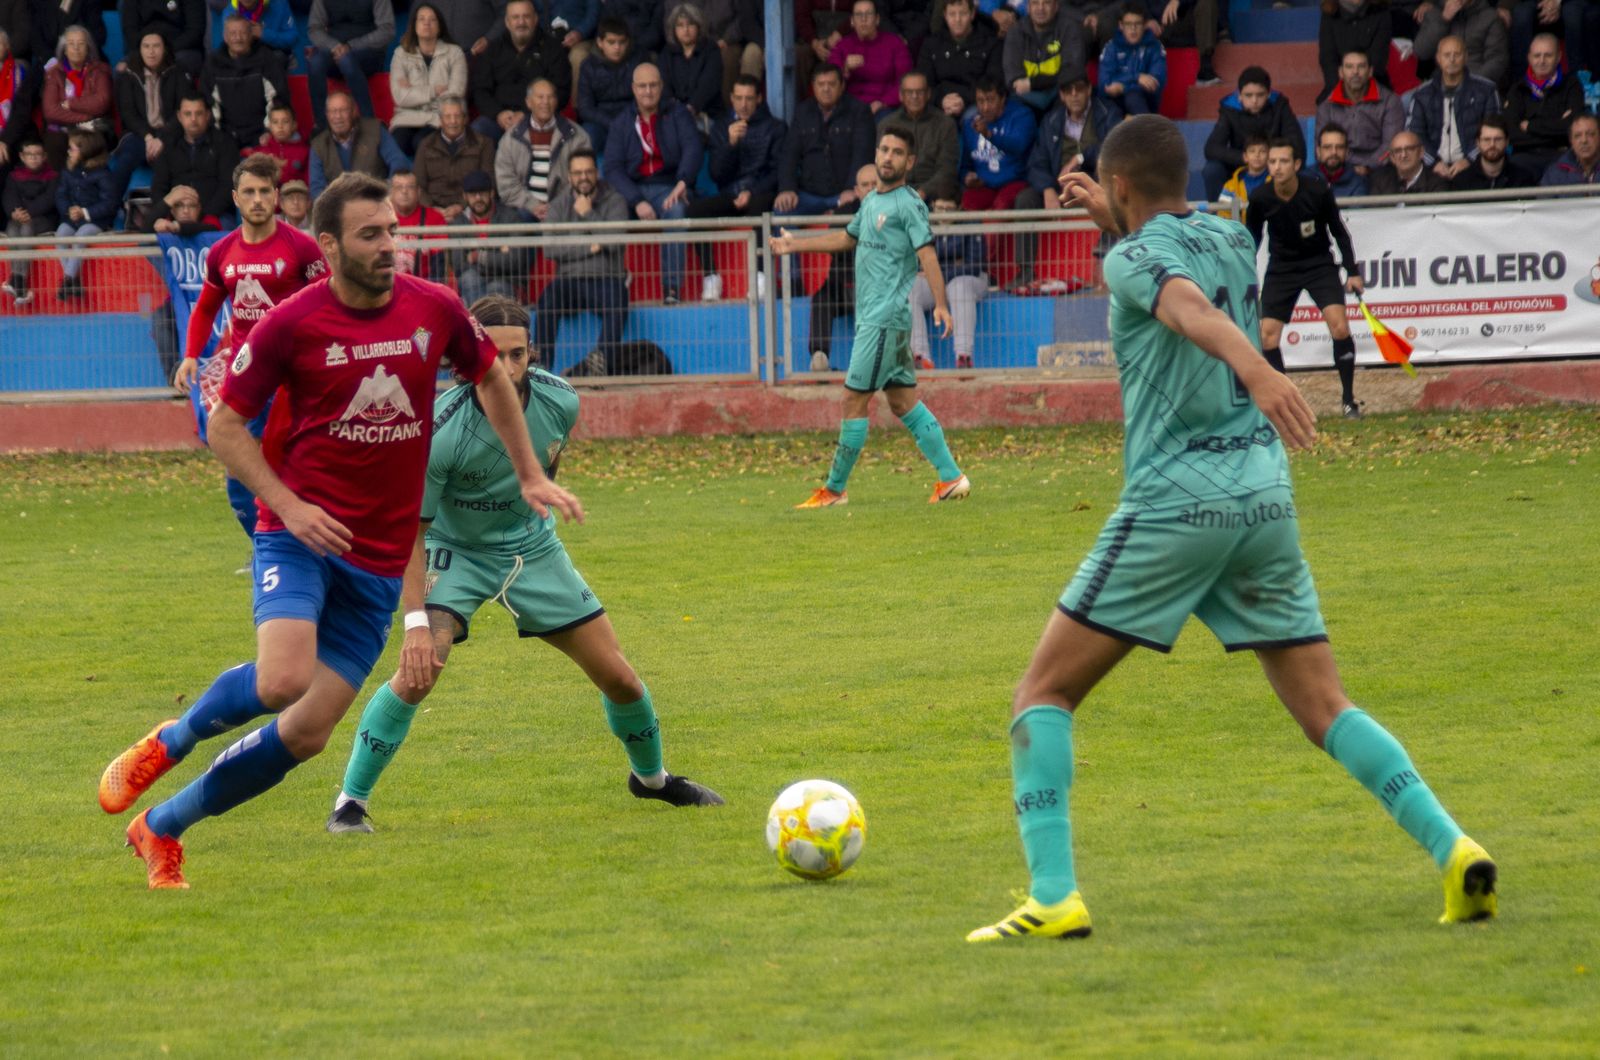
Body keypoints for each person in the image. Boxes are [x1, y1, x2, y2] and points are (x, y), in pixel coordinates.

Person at [964, 113, 1498, 944]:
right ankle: (1455, 847)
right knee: (1326, 705)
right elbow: (1168, 258)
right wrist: (1118, 218)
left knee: (1042, 694)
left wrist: (1253, 366)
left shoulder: (1135, 260)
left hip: (1179, 502)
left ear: (1118, 185)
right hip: (1263, 497)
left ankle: (1054, 895)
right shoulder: (1222, 229)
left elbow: (1178, 303)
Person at [100, 171, 584, 890]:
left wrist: (528, 475)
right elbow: (227, 429)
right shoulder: (290, 324)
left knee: (307, 733)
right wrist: (287, 506)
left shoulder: (435, 307)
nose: (390, 245)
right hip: (298, 533)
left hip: (379, 558)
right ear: (329, 246)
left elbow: (487, 376)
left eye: (392, 229)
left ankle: (161, 828)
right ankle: (170, 740)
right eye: (371, 235)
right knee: (283, 679)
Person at [326, 293, 723, 833]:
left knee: (622, 679)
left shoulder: (563, 401)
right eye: (495, 354)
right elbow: (410, 536)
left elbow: (545, 463)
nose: (507, 368)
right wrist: (415, 623)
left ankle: (651, 780)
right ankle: (350, 803)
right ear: (468, 355)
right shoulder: (436, 431)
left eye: (518, 354)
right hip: (453, 551)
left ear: (532, 352)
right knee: (420, 670)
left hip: (532, 549)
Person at [773, 123, 971, 508]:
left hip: (884, 319)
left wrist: (942, 304)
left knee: (852, 399)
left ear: (909, 162)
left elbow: (927, 253)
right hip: (879, 321)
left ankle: (834, 489)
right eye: (884, 150)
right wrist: (795, 244)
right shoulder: (872, 203)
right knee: (902, 402)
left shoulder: (908, 202)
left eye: (897, 152)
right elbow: (848, 238)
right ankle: (951, 478)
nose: (888, 157)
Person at [171, 152, 328, 536]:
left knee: (306, 461)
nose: (257, 199)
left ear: (275, 197)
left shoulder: (302, 249)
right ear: (236, 198)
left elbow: (327, 305)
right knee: (238, 461)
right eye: (249, 192)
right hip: (249, 374)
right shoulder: (222, 252)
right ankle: (261, 543)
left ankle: (312, 539)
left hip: (297, 374)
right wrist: (190, 354)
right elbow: (206, 307)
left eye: (264, 191)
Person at [1247, 137, 1367, 417]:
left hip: (1318, 265)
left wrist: (1352, 271)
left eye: (1283, 161)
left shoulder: (1317, 191)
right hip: (1281, 269)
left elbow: (1339, 231)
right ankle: (1285, 405)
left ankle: (1349, 401)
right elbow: (1251, 238)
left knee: (1339, 327)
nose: (1277, 167)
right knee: (1267, 338)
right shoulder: (1260, 198)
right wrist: (1241, 270)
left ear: (1297, 164)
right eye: (1272, 162)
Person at [604, 62, 700, 304]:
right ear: (633, 89)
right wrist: (636, 201)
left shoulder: (677, 113)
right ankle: (615, 282)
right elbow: (612, 168)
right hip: (631, 189)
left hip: (668, 185)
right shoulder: (621, 121)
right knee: (609, 212)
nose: (648, 91)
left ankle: (672, 289)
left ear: (661, 87)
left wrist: (682, 182)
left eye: (653, 85)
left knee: (677, 209)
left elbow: (693, 147)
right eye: (643, 86)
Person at [1013, 74, 1117, 293]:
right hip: (1062, 188)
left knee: (1116, 186)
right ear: (1061, 95)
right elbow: (1036, 162)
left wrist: (1080, 158)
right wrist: (1047, 189)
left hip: (1095, 185)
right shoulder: (1051, 121)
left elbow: (1113, 148)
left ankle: (1106, 252)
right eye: (1068, 91)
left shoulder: (1108, 113)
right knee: (1025, 198)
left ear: (1089, 90)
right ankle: (1025, 271)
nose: (1074, 95)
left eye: (1079, 89)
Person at [688, 74, 787, 299]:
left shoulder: (775, 128)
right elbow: (716, 173)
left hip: (759, 193)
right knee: (694, 211)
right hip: (729, 195)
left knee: (761, 209)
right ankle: (711, 278)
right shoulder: (722, 127)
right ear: (732, 98)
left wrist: (751, 192)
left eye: (749, 98)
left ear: (759, 99)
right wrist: (730, 145)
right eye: (739, 98)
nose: (744, 104)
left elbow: (777, 172)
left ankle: (761, 278)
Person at [533, 149, 629, 372]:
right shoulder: (559, 205)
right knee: (546, 301)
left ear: (596, 173)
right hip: (569, 281)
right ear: (569, 177)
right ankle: (541, 369)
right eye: (578, 173)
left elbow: (615, 241)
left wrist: (588, 215)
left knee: (619, 300)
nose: (583, 177)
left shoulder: (614, 200)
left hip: (605, 279)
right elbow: (550, 249)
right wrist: (593, 245)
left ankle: (600, 363)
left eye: (588, 172)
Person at [775, 63, 877, 216]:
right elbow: (789, 154)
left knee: (855, 209)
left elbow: (862, 154)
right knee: (781, 210)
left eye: (831, 84)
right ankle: (794, 242)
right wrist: (787, 188)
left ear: (842, 86)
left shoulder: (859, 111)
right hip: (809, 194)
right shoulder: (802, 112)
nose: (826, 89)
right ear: (813, 87)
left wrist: (852, 188)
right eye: (821, 84)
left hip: (845, 193)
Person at [802, 163, 877, 371]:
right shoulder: (843, 212)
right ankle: (819, 356)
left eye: (875, 184)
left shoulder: (895, 211)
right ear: (857, 191)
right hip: (845, 284)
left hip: (878, 287)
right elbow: (837, 246)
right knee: (822, 297)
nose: (870, 189)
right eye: (865, 185)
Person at [1202, 66, 1305, 202]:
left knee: (1300, 169)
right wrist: (1245, 158)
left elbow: (1297, 145)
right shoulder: (1229, 109)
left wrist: (1271, 159)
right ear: (1239, 95)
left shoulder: (1280, 106)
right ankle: (1218, 219)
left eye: (1260, 95)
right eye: (1248, 95)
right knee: (1212, 170)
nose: (1254, 100)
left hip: (1273, 166)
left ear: (1268, 94)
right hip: (1240, 167)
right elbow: (1211, 148)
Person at [471, 0, 569, 142]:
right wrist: (498, 114)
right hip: (498, 119)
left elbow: (561, 91)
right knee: (477, 131)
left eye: (526, 16)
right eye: (515, 17)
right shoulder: (492, 50)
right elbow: (480, 90)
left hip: (539, 118)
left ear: (535, 19)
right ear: (507, 22)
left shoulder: (553, 49)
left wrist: (528, 114)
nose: (521, 22)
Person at [1405, 36, 1500, 182]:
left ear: (1466, 57)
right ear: (1438, 58)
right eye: (1447, 55)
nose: (1452, 59)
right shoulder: (1422, 94)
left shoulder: (1486, 90)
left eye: (1457, 54)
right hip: (1431, 170)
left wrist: (1469, 160)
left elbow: (1495, 131)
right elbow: (1414, 134)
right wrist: (1434, 163)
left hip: (1476, 167)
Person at [495, 78, 591, 222]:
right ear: (528, 102)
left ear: (556, 102)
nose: (545, 102)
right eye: (540, 97)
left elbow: (584, 178)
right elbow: (506, 182)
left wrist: (556, 207)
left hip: (565, 206)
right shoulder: (511, 138)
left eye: (550, 97)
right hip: (524, 208)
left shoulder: (576, 135)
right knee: (513, 219)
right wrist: (532, 205)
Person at [388, 3, 469, 158]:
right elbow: (400, 97)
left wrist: (413, 90)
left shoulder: (455, 53)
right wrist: (434, 90)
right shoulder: (400, 54)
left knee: (422, 143)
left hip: (439, 118)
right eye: (422, 19)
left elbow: (456, 94)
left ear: (439, 27)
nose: (427, 23)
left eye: (432, 20)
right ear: (414, 25)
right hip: (406, 117)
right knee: (396, 143)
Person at [150, 91, 240, 229]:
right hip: (176, 214)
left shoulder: (225, 143)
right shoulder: (169, 146)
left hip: (216, 214)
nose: (193, 119)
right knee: (151, 234)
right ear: (179, 116)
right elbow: (158, 188)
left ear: (207, 115)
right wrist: (171, 212)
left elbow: (228, 187)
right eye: (188, 114)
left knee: (226, 237)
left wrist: (205, 215)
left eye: (198, 113)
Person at [200, 15, 291, 153]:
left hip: (262, 133)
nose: (238, 38)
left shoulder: (267, 59)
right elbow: (209, 103)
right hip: (227, 135)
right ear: (225, 36)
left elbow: (278, 99)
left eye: (243, 33)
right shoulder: (213, 63)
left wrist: (268, 130)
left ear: (251, 35)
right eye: (233, 33)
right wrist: (218, 136)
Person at [1503, 34, 1587, 174]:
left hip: (1560, 155)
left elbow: (1573, 128)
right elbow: (1512, 134)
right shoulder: (1517, 89)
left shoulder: (1572, 85)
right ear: (1529, 58)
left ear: (1559, 57)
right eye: (1537, 56)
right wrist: (1557, 126)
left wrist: (1530, 126)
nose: (1541, 61)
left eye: (1548, 55)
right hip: (1524, 157)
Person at [1314, 50, 1404, 175]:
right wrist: (1351, 168)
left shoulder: (1390, 101)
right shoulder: (1326, 106)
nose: (1355, 72)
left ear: (1370, 71)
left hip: (1381, 170)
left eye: (1361, 66)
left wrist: (1368, 167)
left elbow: (1391, 145)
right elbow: (1322, 146)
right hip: (1339, 169)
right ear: (1340, 72)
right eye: (1349, 66)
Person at [305, 0, 395, 123]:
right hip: (334, 50)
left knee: (346, 60)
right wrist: (334, 46)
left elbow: (387, 30)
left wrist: (351, 46)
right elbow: (314, 29)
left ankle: (368, 121)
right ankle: (321, 126)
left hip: (369, 51)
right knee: (315, 62)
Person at [308, 91, 409, 199]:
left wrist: (382, 191)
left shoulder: (375, 130)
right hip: (339, 209)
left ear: (353, 111)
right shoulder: (319, 144)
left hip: (377, 201)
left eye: (343, 110)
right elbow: (316, 189)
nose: (337, 116)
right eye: (332, 111)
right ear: (327, 115)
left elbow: (398, 163)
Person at [910, 227, 986, 369]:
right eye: (940, 208)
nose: (944, 213)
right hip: (936, 280)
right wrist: (953, 265)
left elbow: (973, 266)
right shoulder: (922, 223)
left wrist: (938, 273)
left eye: (948, 209)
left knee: (959, 288)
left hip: (967, 279)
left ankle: (964, 357)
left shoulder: (971, 223)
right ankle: (920, 358)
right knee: (910, 289)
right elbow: (915, 262)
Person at [41, 24, 114, 172]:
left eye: (81, 44)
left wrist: (71, 104)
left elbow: (102, 102)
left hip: (93, 129)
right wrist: (86, 117)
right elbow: (50, 111)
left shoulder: (99, 71)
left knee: (91, 140)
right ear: (64, 49)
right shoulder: (54, 73)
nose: (76, 48)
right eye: (71, 44)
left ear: (88, 48)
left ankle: (89, 188)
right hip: (66, 128)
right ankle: (59, 190)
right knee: (54, 140)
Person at [882, 71, 961, 207]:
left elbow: (947, 169)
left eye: (920, 92)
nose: (915, 96)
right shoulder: (886, 125)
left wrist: (923, 192)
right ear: (901, 95)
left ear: (928, 94)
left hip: (935, 193)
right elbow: (883, 167)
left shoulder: (945, 124)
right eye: (909, 92)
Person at [449, 169, 526, 306]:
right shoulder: (459, 222)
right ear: (465, 196)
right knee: (470, 279)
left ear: (491, 193)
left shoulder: (510, 217)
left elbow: (515, 260)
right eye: (473, 194)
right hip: (475, 277)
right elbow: (459, 265)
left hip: (504, 280)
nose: (478, 198)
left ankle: (486, 327)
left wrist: (478, 257)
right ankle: (478, 327)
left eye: (483, 192)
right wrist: (498, 255)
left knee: (496, 287)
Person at [918, 0, 1005, 120]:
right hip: (940, 104)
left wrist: (963, 100)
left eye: (963, 13)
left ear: (972, 14)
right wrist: (941, 100)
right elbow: (924, 82)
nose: (957, 19)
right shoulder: (931, 44)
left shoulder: (990, 43)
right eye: (952, 14)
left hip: (976, 103)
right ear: (945, 15)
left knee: (972, 118)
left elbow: (993, 81)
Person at [959, 78, 1036, 212]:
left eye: (990, 100)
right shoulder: (970, 123)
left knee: (1002, 206)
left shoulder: (1022, 116)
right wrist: (967, 177)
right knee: (968, 201)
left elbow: (1019, 146)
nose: (985, 107)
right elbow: (965, 163)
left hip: (1015, 182)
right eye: (980, 101)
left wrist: (989, 135)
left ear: (1002, 98)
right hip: (985, 185)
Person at [52, 129, 113, 297]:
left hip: (95, 220)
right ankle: (73, 282)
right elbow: (60, 194)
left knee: (82, 236)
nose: (68, 152)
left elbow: (109, 203)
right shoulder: (68, 171)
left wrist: (85, 212)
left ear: (85, 150)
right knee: (61, 235)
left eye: (72, 148)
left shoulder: (103, 174)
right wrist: (68, 210)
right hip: (72, 217)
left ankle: (67, 280)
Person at [413, 97, 496, 219]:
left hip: (470, 209)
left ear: (465, 119)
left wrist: (461, 206)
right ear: (440, 120)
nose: (453, 121)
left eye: (457, 116)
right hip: (433, 209)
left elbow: (488, 182)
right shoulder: (426, 145)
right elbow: (418, 185)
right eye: (447, 116)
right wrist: (432, 209)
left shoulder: (483, 143)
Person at [114, 32, 185, 173]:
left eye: (156, 46)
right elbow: (128, 114)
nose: (151, 52)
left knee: (168, 161)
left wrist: (162, 139)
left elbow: (183, 110)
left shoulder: (177, 72)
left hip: (169, 134)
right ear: (140, 50)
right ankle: (111, 196)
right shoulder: (129, 75)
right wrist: (148, 138)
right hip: (138, 134)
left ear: (164, 49)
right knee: (125, 159)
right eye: (146, 46)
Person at [829, 0, 913, 114]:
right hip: (850, 108)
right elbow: (830, 83)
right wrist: (845, 69)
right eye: (858, 15)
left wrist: (883, 102)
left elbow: (905, 81)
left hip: (886, 107)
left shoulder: (895, 43)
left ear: (877, 19)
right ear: (852, 21)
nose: (864, 19)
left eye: (868, 14)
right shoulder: (842, 46)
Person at [1, 139, 58, 305]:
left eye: (37, 155)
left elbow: (49, 200)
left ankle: (17, 278)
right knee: (11, 228)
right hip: (19, 217)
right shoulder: (14, 176)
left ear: (44, 156)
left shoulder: (53, 176)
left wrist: (28, 213)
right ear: (21, 156)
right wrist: (14, 211)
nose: (33, 158)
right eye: (29, 155)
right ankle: (20, 286)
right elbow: (8, 196)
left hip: (44, 219)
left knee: (26, 228)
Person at [1003, 0, 1086, 112]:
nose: (1040, 8)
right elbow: (1014, 79)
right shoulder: (1016, 32)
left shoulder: (1070, 29)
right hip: (1026, 99)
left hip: (1059, 97)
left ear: (1056, 6)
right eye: (1035, 3)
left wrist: (1032, 83)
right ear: (1028, 7)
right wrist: (1047, 81)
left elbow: (1071, 72)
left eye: (1046, 3)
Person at [578, 16, 641, 152]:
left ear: (628, 42)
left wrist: (625, 121)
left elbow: (643, 100)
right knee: (587, 136)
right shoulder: (588, 66)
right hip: (599, 122)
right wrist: (611, 123)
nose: (617, 47)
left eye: (621, 42)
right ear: (600, 42)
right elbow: (585, 108)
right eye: (611, 42)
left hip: (630, 119)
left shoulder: (638, 61)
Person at [1414, 0, 1508, 89]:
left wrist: (1473, 84)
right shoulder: (1435, 12)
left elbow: (1497, 60)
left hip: (1477, 85)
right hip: (1441, 84)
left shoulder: (1490, 17)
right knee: (1407, 100)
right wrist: (1444, 20)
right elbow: (1421, 51)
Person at [660, 2, 723, 134]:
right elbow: (664, 87)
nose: (686, 30)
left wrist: (690, 109)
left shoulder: (711, 50)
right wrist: (676, 111)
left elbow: (708, 86)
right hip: (675, 115)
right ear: (674, 29)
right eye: (680, 25)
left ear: (699, 27)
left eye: (691, 24)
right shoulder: (667, 53)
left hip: (706, 115)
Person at [1097, 4, 1166, 119]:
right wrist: (1136, 77)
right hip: (1115, 103)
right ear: (1120, 25)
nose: (1133, 29)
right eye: (1128, 24)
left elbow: (1155, 83)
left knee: (1132, 97)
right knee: (1109, 108)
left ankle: (1147, 131)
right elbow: (1104, 84)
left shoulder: (1155, 47)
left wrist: (1123, 87)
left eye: (1137, 24)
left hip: (1144, 103)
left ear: (1144, 25)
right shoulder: (1111, 47)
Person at [1317, 0, 1391, 102]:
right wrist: (1344, 92)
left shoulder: (1381, 12)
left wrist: (1359, 92)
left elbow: (1378, 60)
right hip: (1338, 88)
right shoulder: (1329, 14)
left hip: (1374, 88)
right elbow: (1328, 59)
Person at [120, 0, 206, 80]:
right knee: (121, 70)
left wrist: (165, 50)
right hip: (145, 49)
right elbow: (130, 31)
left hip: (181, 49)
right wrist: (148, 49)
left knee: (177, 66)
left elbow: (195, 32)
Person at [389, 168, 448, 279]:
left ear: (418, 192)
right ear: (391, 193)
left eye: (410, 187)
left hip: (424, 285)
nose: (404, 191)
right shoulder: (382, 218)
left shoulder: (435, 218)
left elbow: (439, 264)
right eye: (398, 187)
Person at [1450, 114, 1538, 188]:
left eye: (1498, 139)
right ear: (1478, 143)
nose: (1492, 144)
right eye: (1486, 139)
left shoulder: (1523, 179)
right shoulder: (1461, 182)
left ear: (1507, 142)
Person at [245, 100, 310, 187]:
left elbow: (302, 180)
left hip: (294, 195)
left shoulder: (303, 151)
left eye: (285, 121)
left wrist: (278, 165)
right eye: (275, 122)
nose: (280, 126)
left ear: (294, 125)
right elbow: (247, 154)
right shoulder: (263, 149)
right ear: (270, 126)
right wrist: (276, 163)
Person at [1367, 128, 1452, 193]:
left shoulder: (1436, 183)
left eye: (1409, 149)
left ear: (1421, 152)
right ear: (1392, 158)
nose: (1403, 155)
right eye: (1398, 151)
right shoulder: (1381, 181)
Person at [209, 0, 297, 55]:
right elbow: (229, 45)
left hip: (273, 54)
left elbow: (292, 38)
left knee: (278, 57)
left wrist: (264, 34)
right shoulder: (230, 11)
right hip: (244, 57)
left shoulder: (278, 4)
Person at [1217, 132, 1271, 219]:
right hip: (1240, 230)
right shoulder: (1231, 186)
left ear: (1269, 156)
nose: (1257, 155)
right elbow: (1224, 215)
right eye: (1252, 151)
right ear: (1245, 156)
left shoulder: (1275, 182)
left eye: (1262, 151)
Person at [1310, 122, 1369, 196]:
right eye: (1327, 147)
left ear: (1347, 152)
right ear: (1318, 152)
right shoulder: (1304, 179)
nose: (1334, 152)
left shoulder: (1358, 183)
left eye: (1339, 147)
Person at [1540, 112, 1600, 184]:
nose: (1584, 140)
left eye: (1590, 134)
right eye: (1577, 136)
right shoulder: (1554, 173)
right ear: (1571, 141)